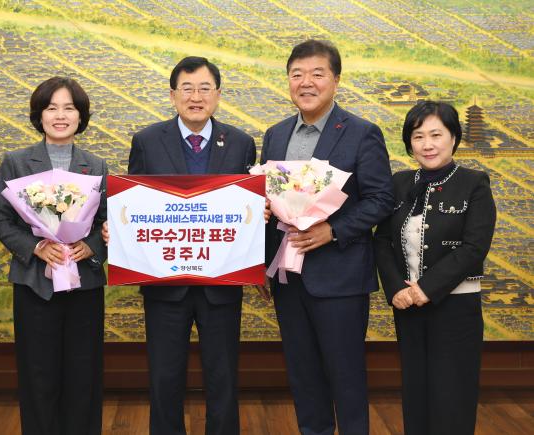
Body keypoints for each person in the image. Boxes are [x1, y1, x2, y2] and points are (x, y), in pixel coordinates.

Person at [104, 56, 256, 435]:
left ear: (218, 95)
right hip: (164, 286)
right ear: (173, 96)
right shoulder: (147, 141)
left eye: (204, 88)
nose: (196, 97)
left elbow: (248, 209)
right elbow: (136, 204)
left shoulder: (240, 143)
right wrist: (120, 231)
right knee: (164, 377)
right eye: (187, 89)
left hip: (222, 284)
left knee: (223, 377)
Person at [260, 39, 394, 434]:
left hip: (339, 278)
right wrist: (262, 264)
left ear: (335, 80)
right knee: (303, 375)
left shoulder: (362, 133)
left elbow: (382, 198)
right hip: (287, 277)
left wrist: (332, 231)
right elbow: (268, 201)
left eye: (317, 74)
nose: (306, 82)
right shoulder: (275, 134)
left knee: (346, 375)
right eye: (297, 74)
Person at [0, 77, 107, 435]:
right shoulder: (15, 162)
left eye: (69, 108)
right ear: (39, 115)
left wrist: (92, 246)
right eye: (52, 108)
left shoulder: (96, 165)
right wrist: (36, 247)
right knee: (37, 375)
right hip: (34, 286)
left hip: (85, 286)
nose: (60, 115)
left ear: (80, 116)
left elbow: (107, 222)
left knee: (83, 375)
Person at [374, 101, 496, 435]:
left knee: (452, 395)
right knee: (416, 393)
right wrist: (395, 289)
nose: (427, 144)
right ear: (409, 143)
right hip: (407, 306)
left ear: (453, 137)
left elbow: (474, 247)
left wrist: (426, 289)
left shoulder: (474, 183)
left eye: (436, 135)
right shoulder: (399, 183)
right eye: (418, 137)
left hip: (456, 307)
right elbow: (381, 241)